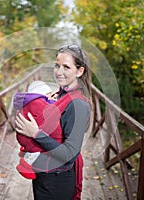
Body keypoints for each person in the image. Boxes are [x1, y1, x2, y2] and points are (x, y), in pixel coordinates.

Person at [15, 44, 91, 200]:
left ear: (79, 71)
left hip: (57, 179)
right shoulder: (59, 95)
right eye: (57, 65)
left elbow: (69, 154)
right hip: (45, 173)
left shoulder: (78, 104)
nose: (59, 72)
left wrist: (35, 133)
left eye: (66, 67)